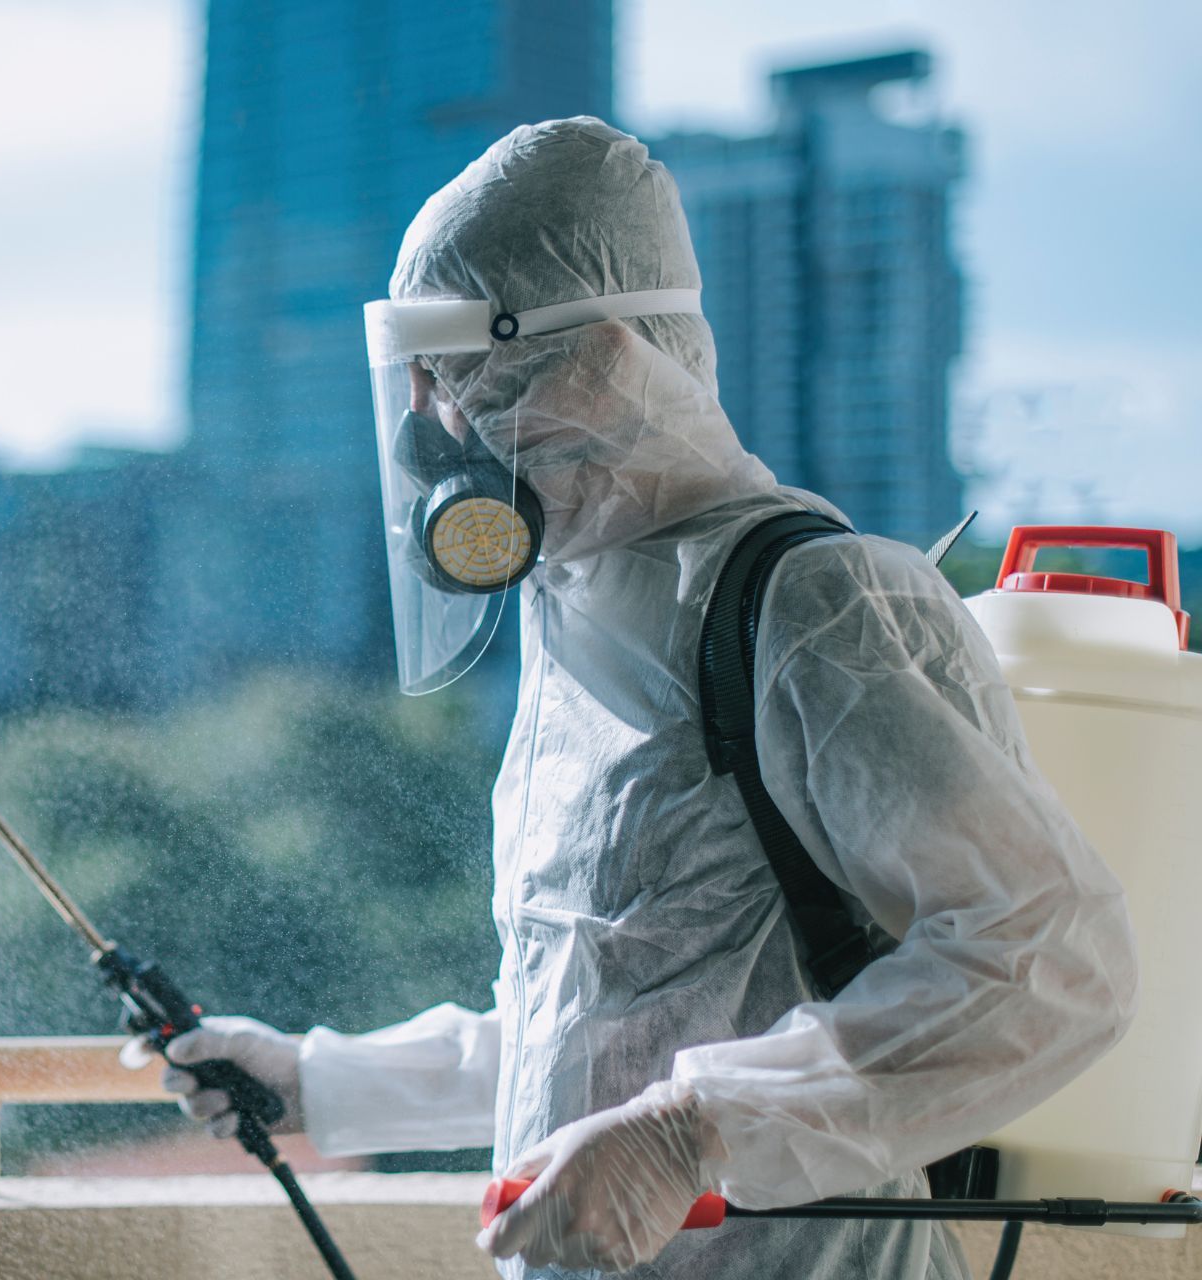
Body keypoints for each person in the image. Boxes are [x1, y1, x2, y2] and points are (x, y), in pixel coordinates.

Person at [131, 118, 1140, 1279]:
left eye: (463, 377)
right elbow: (604, 1025)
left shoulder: (820, 603)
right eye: (422, 384)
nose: (433, 431)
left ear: (599, 361)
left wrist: (694, 1131)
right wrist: (321, 1080)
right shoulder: (580, 611)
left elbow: (1052, 961)